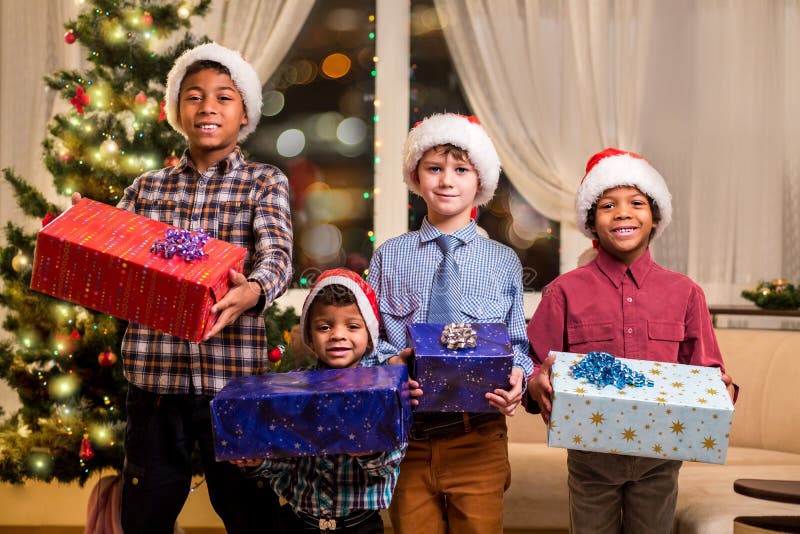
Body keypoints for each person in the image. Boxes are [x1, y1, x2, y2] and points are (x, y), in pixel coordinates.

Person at [73, 43, 293, 533]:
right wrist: (84, 229)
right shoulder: (146, 189)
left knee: (251, 513)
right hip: (155, 383)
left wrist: (255, 290)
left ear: (245, 114)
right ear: (177, 111)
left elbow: (277, 254)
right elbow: (117, 261)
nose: (208, 107)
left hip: (234, 384)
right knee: (146, 513)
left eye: (223, 97)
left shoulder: (263, 183)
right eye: (194, 96)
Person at [526, 147, 738, 534]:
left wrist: (716, 387)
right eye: (608, 205)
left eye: (636, 203)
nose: (623, 212)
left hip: (661, 456)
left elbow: (707, 369)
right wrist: (534, 381)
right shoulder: (563, 292)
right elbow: (532, 362)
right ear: (591, 222)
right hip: (590, 455)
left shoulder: (686, 293)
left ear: (655, 218)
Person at [365, 113, 534, 533]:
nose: (446, 180)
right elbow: (368, 342)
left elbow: (519, 347)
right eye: (434, 169)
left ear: (481, 181)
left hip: (478, 436)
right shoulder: (389, 256)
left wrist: (518, 377)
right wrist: (393, 361)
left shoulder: (503, 260)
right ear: (415, 176)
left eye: (460, 170)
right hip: (407, 438)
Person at [237, 268, 405, 533]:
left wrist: (370, 451)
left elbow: (391, 462)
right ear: (310, 337)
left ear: (370, 336)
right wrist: (260, 462)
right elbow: (283, 459)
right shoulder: (292, 390)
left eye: (352, 326)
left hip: (360, 526)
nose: (338, 335)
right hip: (297, 523)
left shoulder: (383, 393)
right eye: (325, 327)